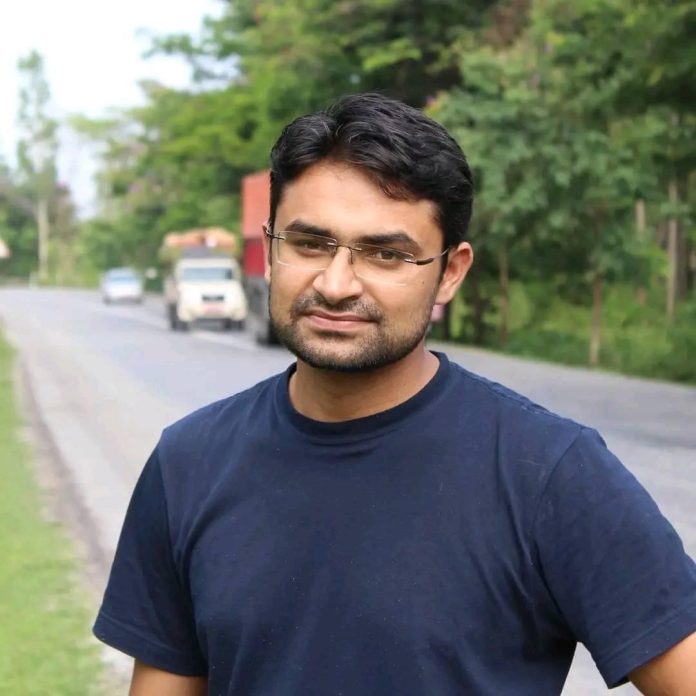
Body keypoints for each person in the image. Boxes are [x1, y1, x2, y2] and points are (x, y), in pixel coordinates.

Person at [94, 93, 696, 696]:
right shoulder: (189, 463)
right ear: (271, 248)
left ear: (450, 272)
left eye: (386, 254)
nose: (336, 284)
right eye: (310, 244)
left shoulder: (548, 472)